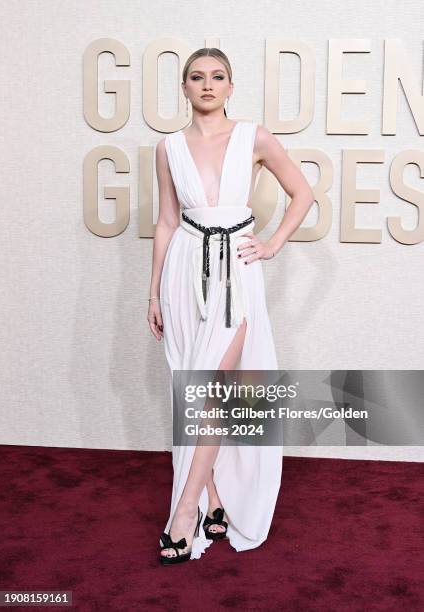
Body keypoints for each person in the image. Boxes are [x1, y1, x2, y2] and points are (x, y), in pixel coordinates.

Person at [147, 48, 314, 565]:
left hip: (235, 274)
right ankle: (215, 504)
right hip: (182, 272)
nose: (207, 85)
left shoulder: (254, 137)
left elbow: (304, 193)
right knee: (194, 391)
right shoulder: (168, 147)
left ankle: (185, 511)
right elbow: (167, 221)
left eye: (217, 76)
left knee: (215, 386)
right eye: (197, 77)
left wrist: (271, 244)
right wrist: (152, 290)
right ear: (184, 87)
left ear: (230, 85)